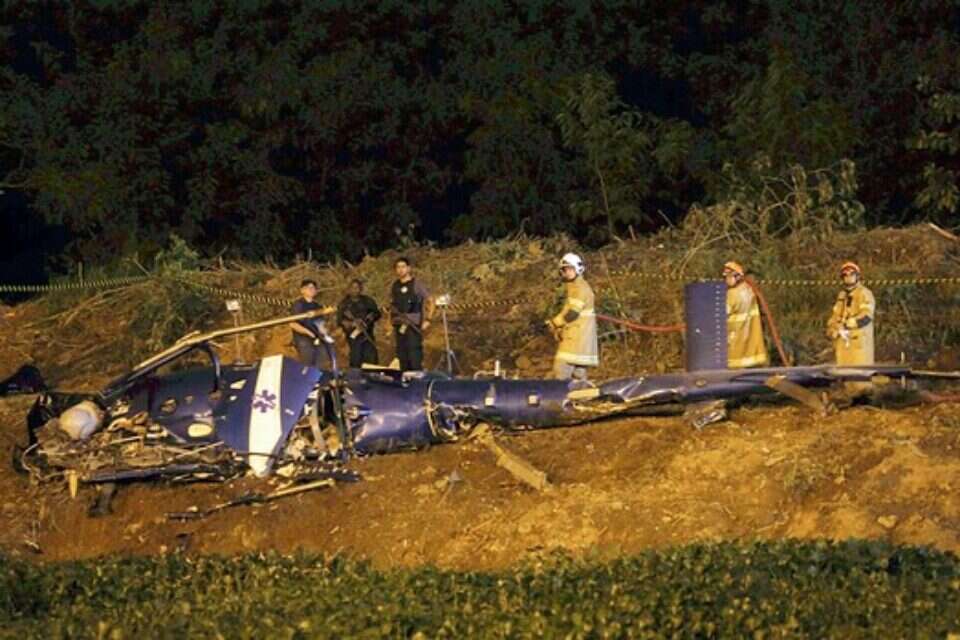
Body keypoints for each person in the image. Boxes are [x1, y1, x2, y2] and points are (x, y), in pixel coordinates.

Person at [546, 252, 599, 381]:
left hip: (577, 338)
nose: (567, 272)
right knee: (578, 374)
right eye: (565, 269)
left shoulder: (580, 288)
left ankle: (559, 392)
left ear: (578, 268)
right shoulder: (575, 287)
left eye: (570, 269)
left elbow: (572, 314)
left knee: (561, 368)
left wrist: (555, 323)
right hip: (579, 337)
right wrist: (557, 325)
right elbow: (568, 311)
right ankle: (583, 392)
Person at [827, 261, 875, 395]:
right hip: (843, 342)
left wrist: (849, 323)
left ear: (857, 276)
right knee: (845, 373)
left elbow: (867, 316)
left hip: (858, 342)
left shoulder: (864, 293)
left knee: (860, 375)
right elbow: (835, 314)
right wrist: (832, 327)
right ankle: (848, 396)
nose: (848, 277)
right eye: (845, 275)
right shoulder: (842, 296)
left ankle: (864, 397)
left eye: (851, 274)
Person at [389, 257, 434, 371]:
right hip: (399, 325)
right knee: (402, 356)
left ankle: (417, 379)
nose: (400, 270)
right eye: (398, 267)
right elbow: (392, 305)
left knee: (414, 356)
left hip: (412, 325)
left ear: (409, 268)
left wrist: (428, 319)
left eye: (403, 267)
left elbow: (431, 300)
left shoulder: (416, 284)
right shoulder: (395, 286)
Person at [723, 261, 769, 369]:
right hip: (750, 343)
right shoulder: (750, 290)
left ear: (737, 276)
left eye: (728, 276)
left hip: (735, 340)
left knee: (734, 364)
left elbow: (722, 313)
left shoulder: (732, 294)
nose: (726, 280)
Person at [337, 279, 382, 368]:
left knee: (371, 360)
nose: (355, 290)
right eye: (352, 287)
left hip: (368, 335)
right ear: (349, 289)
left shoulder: (368, 301)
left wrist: (368, 319)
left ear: (361, 289)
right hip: (353, 338)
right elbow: (340, 321)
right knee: (356, 360)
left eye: (357, 287)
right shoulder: (344, 304)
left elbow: (377, 314)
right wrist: (352, 323)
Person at [289, 278, 334, 367]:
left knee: (323, 353)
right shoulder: (298, 304)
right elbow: (293, 324)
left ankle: (317, 374)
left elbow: (320, 323)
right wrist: (308, 332)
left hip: (316, 337)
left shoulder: (317, 306)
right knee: (307, 358)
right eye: (309, 288)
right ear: (302, 290)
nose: (311, 290)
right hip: (303, 338)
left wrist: (324, 334)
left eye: (313, 288)